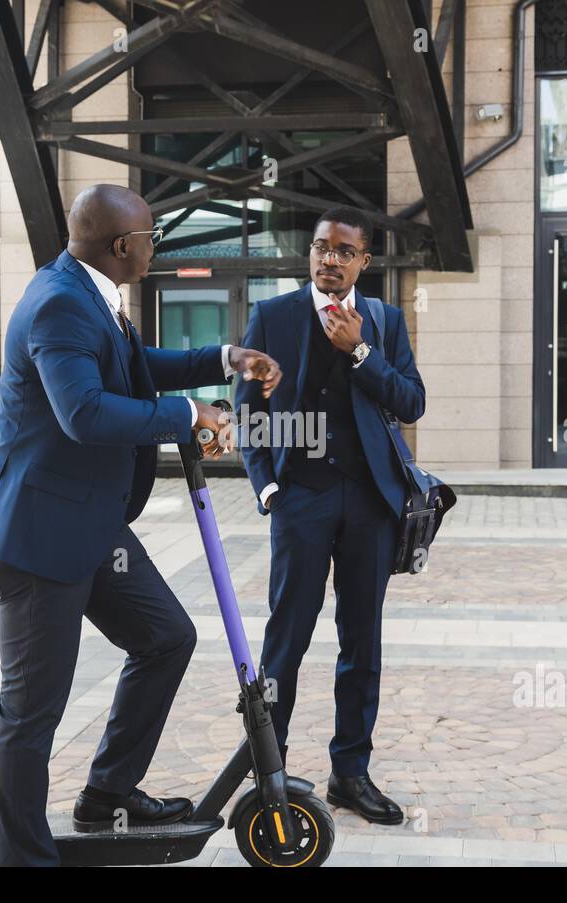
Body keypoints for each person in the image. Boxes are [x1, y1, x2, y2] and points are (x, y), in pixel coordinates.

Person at [0, 183, 282, 865]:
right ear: (122, 247)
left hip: (88, 526)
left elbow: (132, 374)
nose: (153, 250)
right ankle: (24, 858)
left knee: (167, 637)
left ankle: (108, 793)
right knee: (31, 713)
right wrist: (188, 417)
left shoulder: (89, 294)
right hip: (36, 539)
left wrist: (223, 360)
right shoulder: (58, 305)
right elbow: (85, 413)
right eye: (150, 241)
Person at [235, 205, 424, 825]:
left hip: (370, 501)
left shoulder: (386, 321)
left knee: (361, 641)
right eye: (321, 247)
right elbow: (249, 414)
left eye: (344, 250)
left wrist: (363, 352)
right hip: (301, 500)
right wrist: (267, 488)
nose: (329, 259)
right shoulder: (274, 316)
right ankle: (271, 770)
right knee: (285, 640)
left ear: (363, 261)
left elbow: (411, 402)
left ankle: (351, 772)